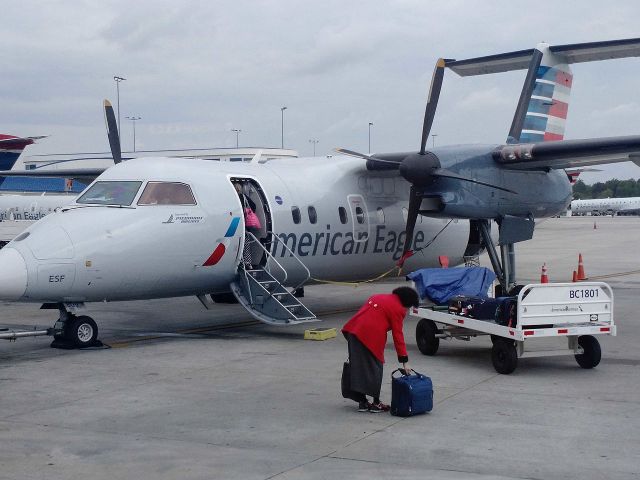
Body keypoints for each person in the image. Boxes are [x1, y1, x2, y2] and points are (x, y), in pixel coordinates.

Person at [341, 286, 420, 413]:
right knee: (375, 368)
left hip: (353, 331)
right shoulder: (398, 309)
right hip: (370, 336)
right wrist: (404, 361)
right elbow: (398, 335)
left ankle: (362, 402)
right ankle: (376, 403)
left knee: (358, 367)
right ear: (407, 302)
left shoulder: (377, 296)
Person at [235, 182, 260, 269]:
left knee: (241, 244)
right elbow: (253, 205)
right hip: (246, 225)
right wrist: (248, 212)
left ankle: (240, 262)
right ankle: (247, 263)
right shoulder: (244, 197)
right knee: (246, 244)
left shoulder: (236, 198)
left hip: (238, 225)